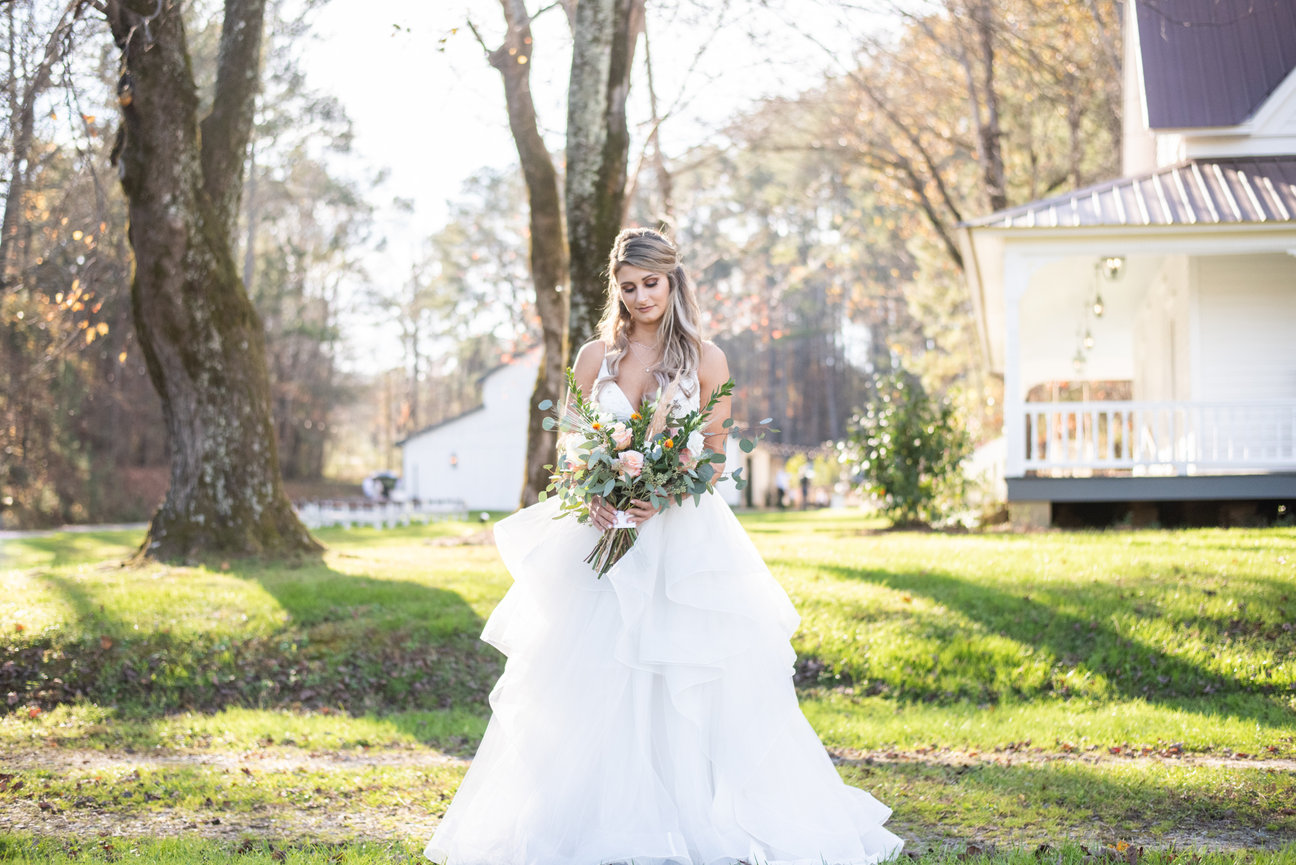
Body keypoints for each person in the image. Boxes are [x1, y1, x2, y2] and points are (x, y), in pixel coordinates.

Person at [424, 228, 902, 865]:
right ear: (615, 290)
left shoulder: (707, 359)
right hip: (600, 534)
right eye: (628, 286)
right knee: (594, 673)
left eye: (651, 283)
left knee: (686, 671)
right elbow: (572, 449)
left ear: (673, 281)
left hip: (680, 538)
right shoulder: (595, 357)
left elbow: (714, 454)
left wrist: (666, 492)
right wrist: (593, 494)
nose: (641, 296)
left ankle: (696, 816)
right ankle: (598, 821)